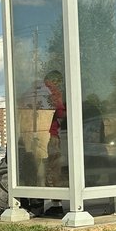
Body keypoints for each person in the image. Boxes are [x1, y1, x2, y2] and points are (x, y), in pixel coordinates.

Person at [43, 70, 66, 213]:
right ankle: (56, 204)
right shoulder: (53, 92)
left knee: (40, 169)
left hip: (34, 135)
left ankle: (35, 202)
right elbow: (60, 113)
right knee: (54, 168)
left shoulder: (35, 91)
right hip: (51, 135)